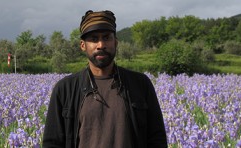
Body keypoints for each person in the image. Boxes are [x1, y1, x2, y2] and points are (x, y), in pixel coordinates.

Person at [42, 10, 167, 148]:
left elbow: (157, 138)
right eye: (94, 39)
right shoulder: (65, 89)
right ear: (83, 45)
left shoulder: (140, 84)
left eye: (106, 37)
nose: (101, 45)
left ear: (116, 42)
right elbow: (52, 143)